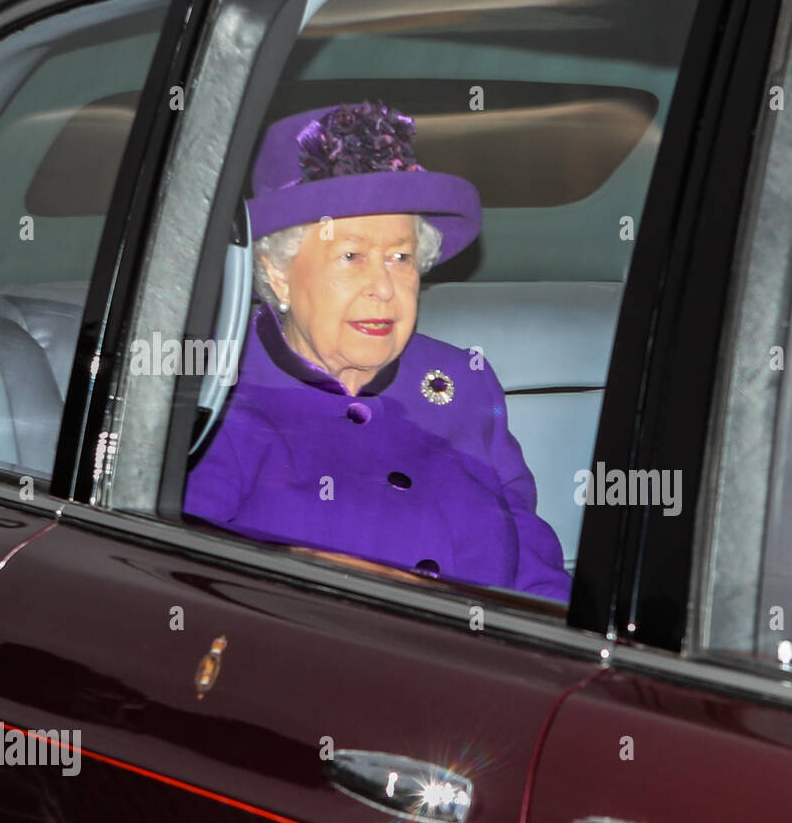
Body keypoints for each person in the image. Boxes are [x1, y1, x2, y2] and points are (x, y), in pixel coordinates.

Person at [184, 102, 572, 601]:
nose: (384, 288)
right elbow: (193, 583)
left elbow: (537, 571)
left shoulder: (461, 380)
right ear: (278, 272)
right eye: (351, 257)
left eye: (400, 258)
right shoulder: (217, 393)